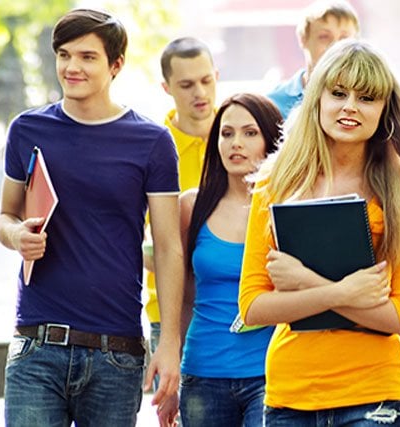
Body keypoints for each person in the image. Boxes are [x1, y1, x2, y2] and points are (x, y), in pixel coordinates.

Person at [238, 39, 400, 425]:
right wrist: (343, 292)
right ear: (317, 98)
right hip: (289, 395)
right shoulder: (275, 183)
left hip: (375, 396)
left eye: (366, 97)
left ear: (385, 108)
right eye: (338, 93)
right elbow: (253, 307)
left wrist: (303, 283)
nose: (350, 106)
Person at [0, 8, 183, 425]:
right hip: (36, 347)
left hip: (115, 354)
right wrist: (16, 237)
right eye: (64, 55)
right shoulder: (26, 130)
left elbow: (169, 247)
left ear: (115, 65)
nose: (71, 67)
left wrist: (169, 343)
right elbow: (6, 216)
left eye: (86, 56)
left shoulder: (152, 141)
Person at [154, 93, 282, 427]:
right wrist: (172, 376)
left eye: (250, 133)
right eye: (227, 133)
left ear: (271, 139)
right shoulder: (191, 207)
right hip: (202, 373)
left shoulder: (287, 208)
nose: (235, 143)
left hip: (269, 374)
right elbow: (182, 297)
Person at [144, 36, 219, 380]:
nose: (199, 93)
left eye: (206, 81)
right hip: (172, 315)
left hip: (235, 307)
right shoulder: (152, 150)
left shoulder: (243, 136)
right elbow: (139, 243)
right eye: (186, 85)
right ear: (166, 87)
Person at [267, 0, 359, 118]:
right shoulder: (273, 103)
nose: (336, 45)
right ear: (303, 39)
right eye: (324, 37)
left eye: (344, 38)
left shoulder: (366, 100)